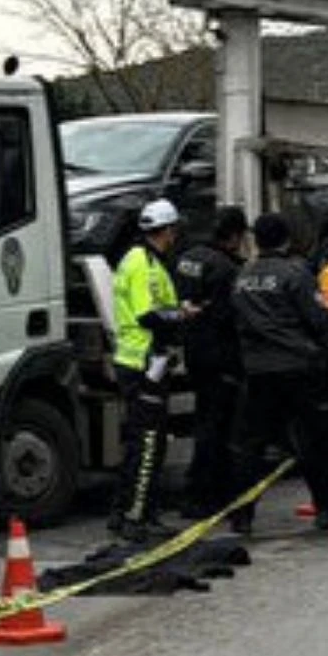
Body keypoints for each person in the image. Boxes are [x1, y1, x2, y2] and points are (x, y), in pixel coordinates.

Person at [229, 213, 328, 534]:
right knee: (316, 442)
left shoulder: (241, 276)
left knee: (249, 446)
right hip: (298, 369)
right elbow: (321, 319)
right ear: (287, 239)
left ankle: (241, 514)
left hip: (258, 372)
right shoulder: (296, 273)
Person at [111, 199, 198, 542]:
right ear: (168, 230)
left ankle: (126, 512)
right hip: (143, 364)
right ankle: (136, 517)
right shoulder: (143, 265)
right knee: (148, 443)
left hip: (143, 362)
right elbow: (148, 315)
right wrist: (183, 314)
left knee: (143, 441)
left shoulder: (144, 260)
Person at [173, 207, 248, 519]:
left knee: (205, 421)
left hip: (194, 351)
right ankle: (208, 496)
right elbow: (230, 317)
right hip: (221, 356)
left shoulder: (187, 257)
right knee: (220, 428)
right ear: (234, 236)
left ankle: (197, 493)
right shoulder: (227, 268)